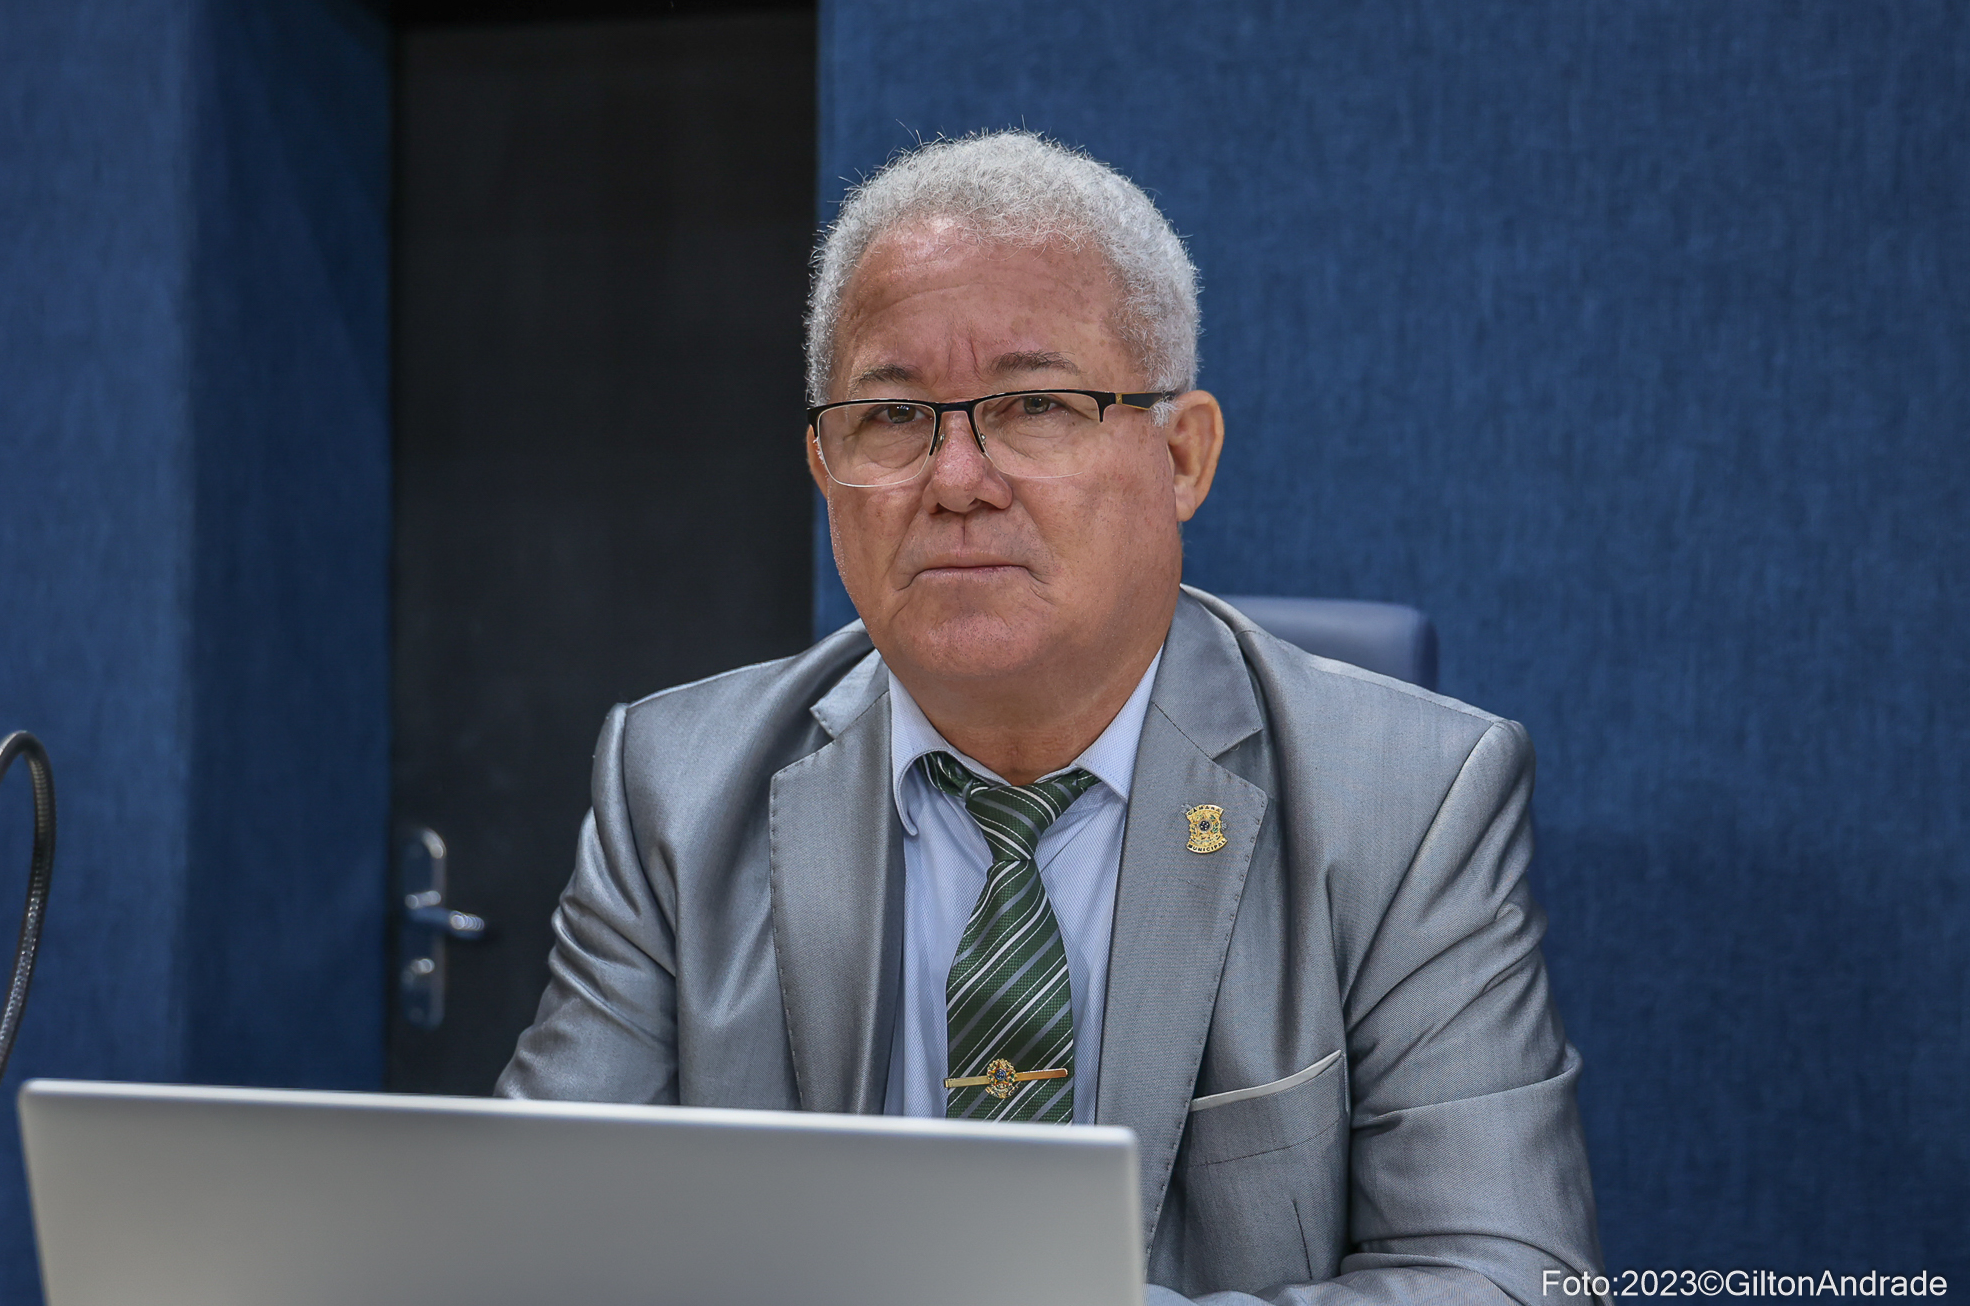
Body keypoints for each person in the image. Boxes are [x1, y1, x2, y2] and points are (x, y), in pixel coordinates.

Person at [499, 130, 1606, 1303]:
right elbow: (531, 1242)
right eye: (891, 417)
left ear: (1181, 456)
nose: (955, 480)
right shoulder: (676, 787)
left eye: (1033, 404)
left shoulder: (1407, 801)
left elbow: (1510, 1273)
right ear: (824, 469)